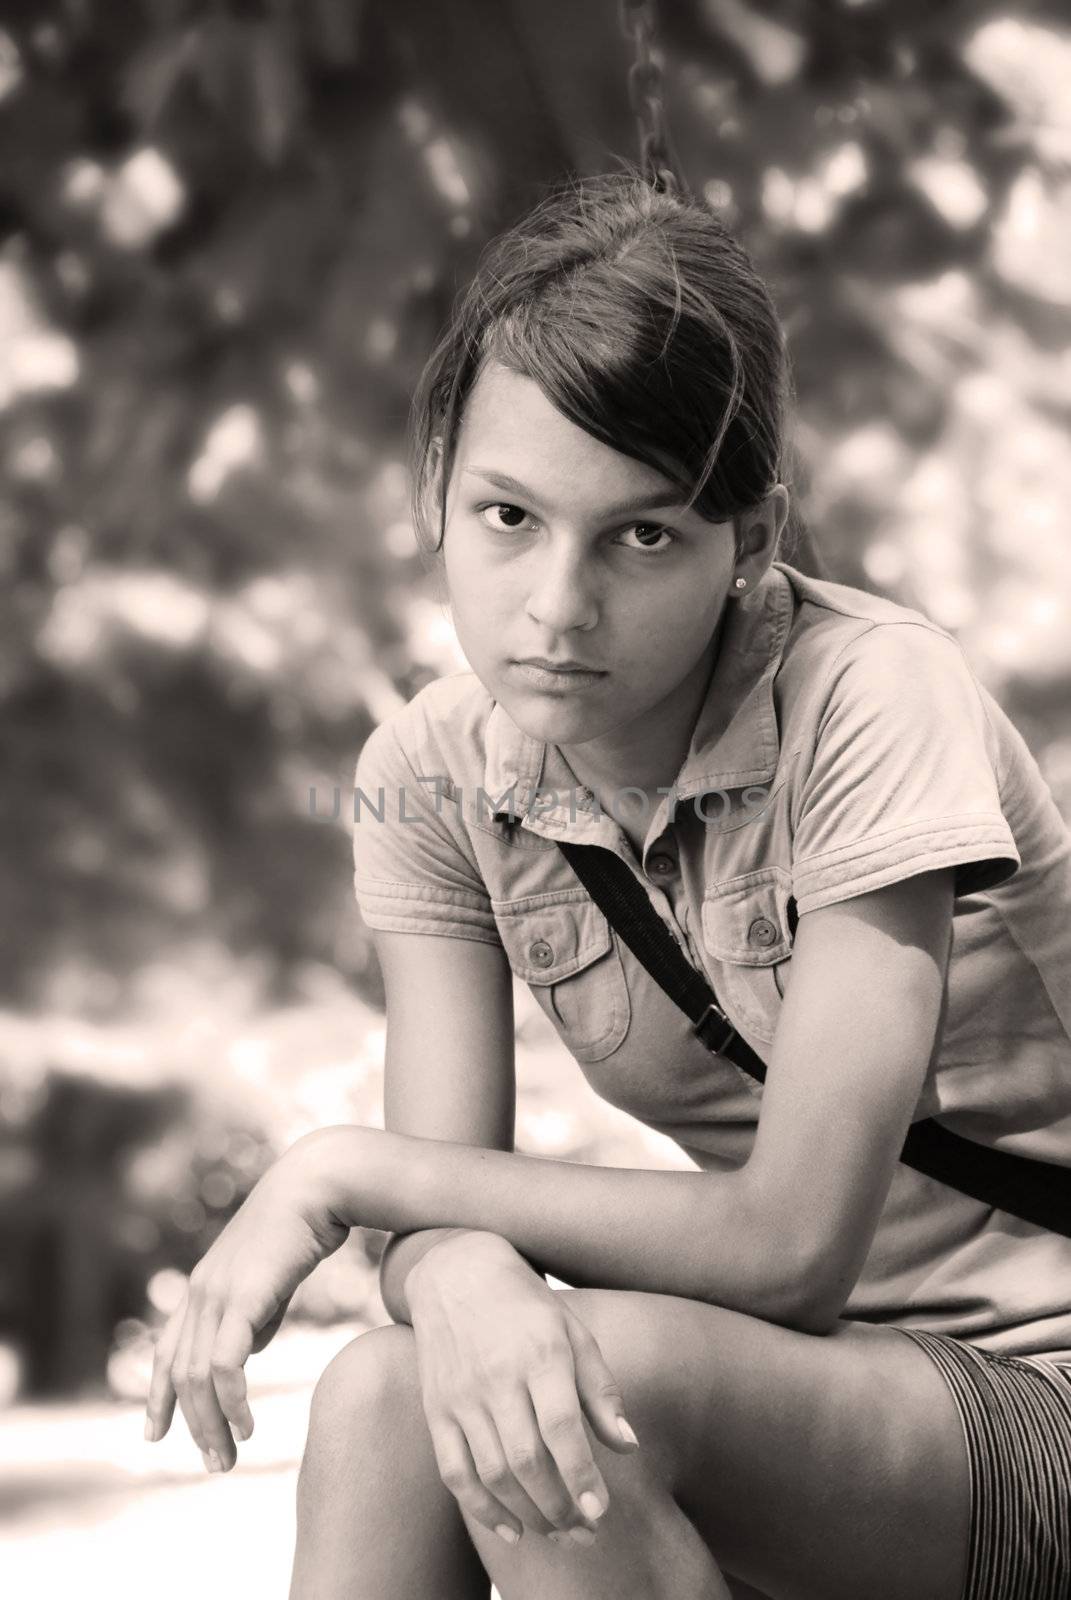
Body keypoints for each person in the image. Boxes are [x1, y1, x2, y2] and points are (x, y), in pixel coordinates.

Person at [144, 172, 1071, 1600]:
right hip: (801, 1390)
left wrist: (339, 1174)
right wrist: (456, 1272)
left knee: (575, 1393)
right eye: (509, 516)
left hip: (1032, 1381)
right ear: (434, 492)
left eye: (639, 536)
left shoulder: (878, 699)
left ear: (748, 546)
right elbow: (438, 1212)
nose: (556, 608)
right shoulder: (428, 772)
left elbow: (790, 1251)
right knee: (387, 1400)